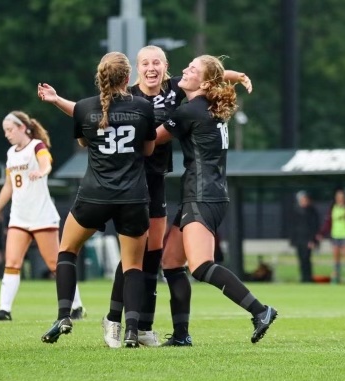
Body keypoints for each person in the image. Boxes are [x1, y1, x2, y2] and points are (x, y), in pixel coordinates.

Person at [38, 45, 252, 347]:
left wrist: (232, 76)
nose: (151, 68)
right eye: (145, 63)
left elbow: (206, 76)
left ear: (166, 68)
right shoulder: (138, 102)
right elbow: (143, 133)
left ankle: (141, 328)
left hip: (148, 184)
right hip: (134, 186)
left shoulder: (176, 89)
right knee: (135, 259)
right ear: (134, 72)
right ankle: (117, 321)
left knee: (151, 258)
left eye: (157, 63)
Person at [154, 55, 277, 346]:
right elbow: (214, 79)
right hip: (203, 193)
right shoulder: (207, 104)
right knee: (171, 263)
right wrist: (234, 75)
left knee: (200, 266)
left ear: (204, 82)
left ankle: (260, 310)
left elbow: (152, 140)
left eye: (192, 69)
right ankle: (182, 335)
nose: (184, 70)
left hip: (202, 194)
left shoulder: (190, 111)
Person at [40, 52, 156, 348]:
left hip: (94, 194)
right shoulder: (143, 107)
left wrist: (56, 101)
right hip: (132, 196)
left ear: (100, 76)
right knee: (132, 266)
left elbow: (82, 135)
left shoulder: (85, 108)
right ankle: (131, 330)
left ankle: (64, 314)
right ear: (128, 77)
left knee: (67, 250)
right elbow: (148, 150)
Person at [0, 110, 85, 321]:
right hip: (19, 217)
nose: (7, 134)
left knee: (55, 264)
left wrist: (42, 171)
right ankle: (4, 310)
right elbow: (8, 186)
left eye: (10, 129)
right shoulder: (11, 154)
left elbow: (46, 162)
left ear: (22, 128)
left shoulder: (36, 146)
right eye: (5, 131)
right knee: (12, 262)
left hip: (41, 215)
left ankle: (77, 306)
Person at [317, 188, 345, 284]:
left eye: (342, 197)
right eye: (338, 197)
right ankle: (336, 278)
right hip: (335, 235)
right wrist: (322, 233)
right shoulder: (333, 208)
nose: (340, 199)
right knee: (336, 257)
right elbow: (328, 222)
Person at [289, 190, 320, 283]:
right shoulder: (295, 211)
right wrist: (293, 240)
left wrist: (313, 240)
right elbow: (292, 227)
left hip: (308, 239)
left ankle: (308, 278)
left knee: (307, 259)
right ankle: (303, 278)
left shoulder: (312, 211)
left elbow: (315, 226)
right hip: (299, 239)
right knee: (301, 259)